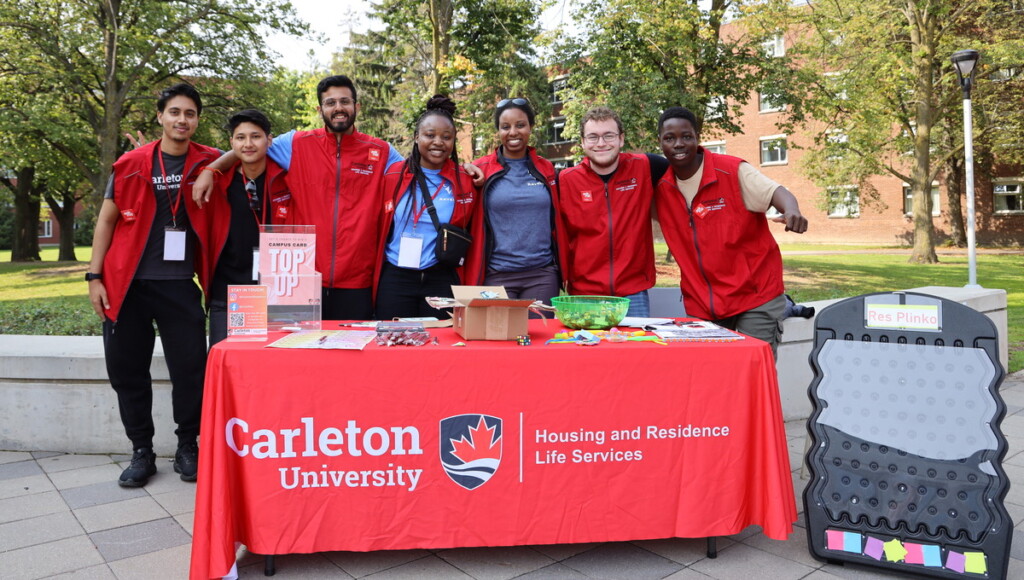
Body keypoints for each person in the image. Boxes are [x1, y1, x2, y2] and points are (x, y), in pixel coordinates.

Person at [87, 83, 218, 487]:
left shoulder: (209, 160)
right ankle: (141, 451)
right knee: (128, 372)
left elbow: (243, 153)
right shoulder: (130, 164)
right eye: (175, 112)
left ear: (197, 120)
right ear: (160, 116)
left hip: (180, 285)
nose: (182, 120)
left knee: (191, 370)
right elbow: (106, 221)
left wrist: (214, 168)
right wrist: (94, 276)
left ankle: (187, 446)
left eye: (190, 113)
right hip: (127, 285)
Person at [192, 75, 404, 321]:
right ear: (320, 109)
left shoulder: (380, 151)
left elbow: (416, 173)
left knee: (350, 356)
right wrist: (211, 170)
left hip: (357, 280)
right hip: (302, 278)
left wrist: (460, 168)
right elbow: (250, 146)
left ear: (356, 107)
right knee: (303, 356)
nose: (338, 108)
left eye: (345, 101)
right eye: (330, 102)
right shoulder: (295, 143)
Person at [655, 106, 808, 356]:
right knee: (712, 377)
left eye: (687, 136)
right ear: (660, 142)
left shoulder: (732, 170)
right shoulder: (662, 189)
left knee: (752, 376)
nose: (679, 144)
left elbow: (777, 192)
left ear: (697, 137)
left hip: (755, 297)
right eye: (670, 138)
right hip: (702, 304)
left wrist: (792, 210)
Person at [373, 95, 477, 320]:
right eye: (430, 135)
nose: (438, 142)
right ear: (416, 136)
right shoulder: (393, 175)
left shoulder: (465, 180)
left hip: (440, 277)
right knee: (393, 343)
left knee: (439, 346)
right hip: (396, 276)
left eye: (446, 137)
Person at [557, 106, 667, 316]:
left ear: (621, 139)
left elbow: (689, 166)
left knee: (633, 349)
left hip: (633, 292)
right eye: (593, 137)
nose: (601, 143)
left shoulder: (645, 166)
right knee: (587, 348)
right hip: (584, 294)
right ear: (582, 142)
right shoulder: (565, 180)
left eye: (608, 135)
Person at [198, 109, 291, 346]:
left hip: (276, 294)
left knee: (270, 369)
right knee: (225, 363)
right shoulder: (218, 183)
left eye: (256, 136)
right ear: (231, 143)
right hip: (228, 294)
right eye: (240, 138)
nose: (248, 144)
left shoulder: (287, 180)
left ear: (269, 140)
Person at [464, 97, 565, 305]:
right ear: (498, 131)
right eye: (505, 127)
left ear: (531, 127)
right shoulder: (480, 169)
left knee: (539, 337)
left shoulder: (547, 171)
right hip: (496, 276)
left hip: (542, 276)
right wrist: (463, 169)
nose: (513, 132)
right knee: (501, 337)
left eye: (520, 125)